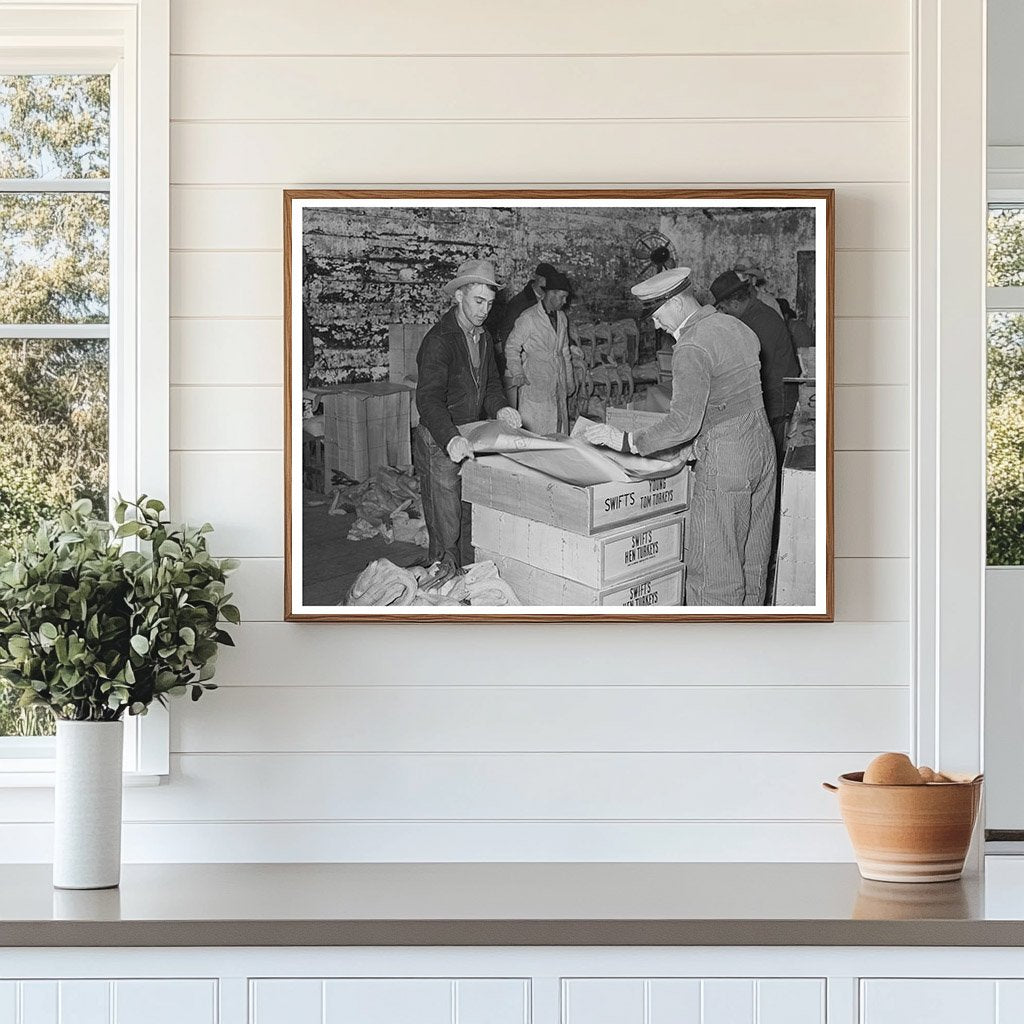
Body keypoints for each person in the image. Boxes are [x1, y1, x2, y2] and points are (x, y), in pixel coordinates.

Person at [584, 268, 776, 607]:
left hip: (726, 462)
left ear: (674, 304)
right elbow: (728, 397)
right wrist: (693, 443)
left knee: (714, 570)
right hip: (762, 446)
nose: (657, 326)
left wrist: (626, 441)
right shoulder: (737, 326)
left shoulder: (691, 345)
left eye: (657, 316)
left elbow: (683, 422)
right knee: (753, 560)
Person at [414, 259, 522, 584]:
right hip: (440, 439)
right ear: (459, 296)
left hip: (469, 437)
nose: (484, 310)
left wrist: (501, 408)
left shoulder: (483, 337)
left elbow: (489, 385)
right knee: (446, 525)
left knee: (467, 515)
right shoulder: (439, 340)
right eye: (478, 301)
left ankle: (464, 582)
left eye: (489, 304)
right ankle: (442, 588)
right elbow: (428, 399)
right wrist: (449, 438)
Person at [710, 270, 800, 475]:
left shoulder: (760, 321)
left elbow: (753, 368)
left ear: (734, 304)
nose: (723, 313)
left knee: (770, 461)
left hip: (775, 400)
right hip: (766, 397)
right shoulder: (751, 317)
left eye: (723, 308)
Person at [504, 265, 574, 434]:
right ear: (551, 293)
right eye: (562, 297)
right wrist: (518, 372)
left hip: (557, 382)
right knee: (535, 435)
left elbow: (565, 351)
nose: (565, 302)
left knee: (558, 433)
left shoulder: (562, 318)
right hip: (535, 383)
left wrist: (569, 379)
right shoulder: (529, 318)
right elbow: (511, 347)